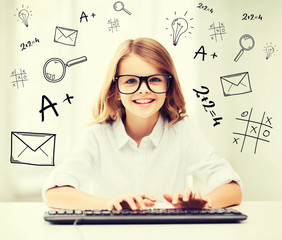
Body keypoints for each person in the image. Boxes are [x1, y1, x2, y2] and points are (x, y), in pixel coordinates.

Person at [43, 38, 242, 211]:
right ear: (116, 90)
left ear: (168, 86)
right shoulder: (96, 136)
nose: (143, 90)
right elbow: (54, 193)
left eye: (155, 79)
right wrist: (110, 205)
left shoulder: (184, 133)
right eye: (130, 81)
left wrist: (204, 203)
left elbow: (232, 189)